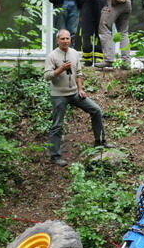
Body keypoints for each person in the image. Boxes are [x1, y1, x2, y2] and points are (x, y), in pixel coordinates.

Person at [43, 29, 106, 166]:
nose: (65, 41)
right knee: (57, 125)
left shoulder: (75, 53)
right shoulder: (52, 56)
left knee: (95, 110)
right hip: (59, 95)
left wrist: (80, 89)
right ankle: (55, 156)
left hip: (74, 93)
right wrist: (60, 69)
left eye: (67, 39)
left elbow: (79, 73)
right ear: (57, 40)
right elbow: (47, 76)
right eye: (62, 39)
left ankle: (99, 141)